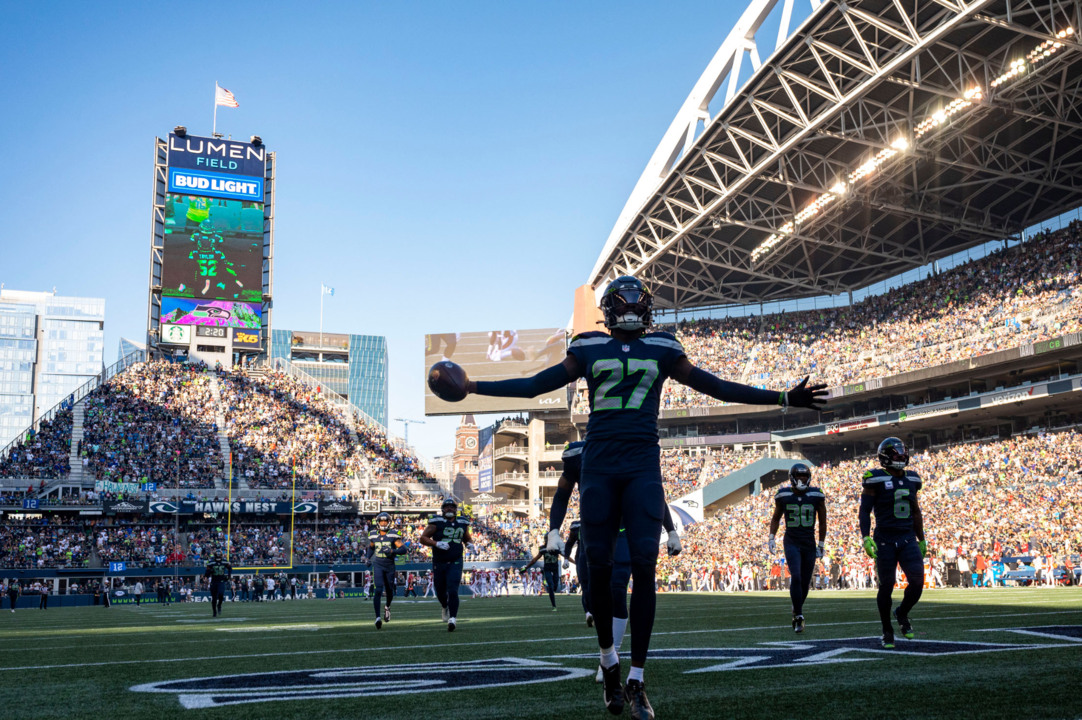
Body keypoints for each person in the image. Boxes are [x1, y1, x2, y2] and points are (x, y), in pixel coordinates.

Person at [449, 271, 821, 720]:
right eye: (620, 300)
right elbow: (535, 384)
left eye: (633, 300)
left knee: (645, 569)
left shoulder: (663, 347)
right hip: (601, 467)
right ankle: (609, 661)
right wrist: (473, 388)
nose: (627, 306)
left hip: (642, 466)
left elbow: (716, 387)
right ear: (610, 309)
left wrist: (782, 397)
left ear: (643, 307)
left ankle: (637, 678)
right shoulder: (587, 346)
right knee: (603, 575)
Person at [859, 437, 927, 649]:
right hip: (885, 539)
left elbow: (916, 511)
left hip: (907, 537)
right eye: (896, 452)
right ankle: (887, 630)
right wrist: (866, 536)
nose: (901, 455)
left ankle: (902, 612)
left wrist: (922, 538)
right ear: (885, 456)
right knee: (886, 586)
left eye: (903, 451)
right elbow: (864, 510)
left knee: (917, 582)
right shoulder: (875, 478)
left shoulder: (913, 479)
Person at [767, 463, 827, 633]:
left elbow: (823, 521)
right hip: (792, 540)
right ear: (792, 478)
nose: (802, 479)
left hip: (809, 541)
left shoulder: (816, 495)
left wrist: (821, 543)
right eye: (799, 476)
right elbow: (776, 518)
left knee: (805, 582)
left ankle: (796, 608)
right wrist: (772, 536)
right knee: (797, 576)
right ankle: (799, 616)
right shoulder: (783, 495)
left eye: (804, 476)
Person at [419, 498, 472, 631]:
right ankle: (444, 606)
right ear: (442, 509)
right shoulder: (436, 522)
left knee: (453, 590)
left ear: (456, 509)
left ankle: (453, 619)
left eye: (452, 507)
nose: (449, 509)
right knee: (440, 591)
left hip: (456, 561)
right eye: (447, 506)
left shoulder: (462, 522)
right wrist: (436, 543)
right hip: (439, 562)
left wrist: (469, 543)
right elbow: (423, 538)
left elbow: (467, 537)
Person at [367, 512, 407, 629]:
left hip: (389, 565)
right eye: (381, 521)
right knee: (378, 589)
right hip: (378, 564)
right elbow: (371, 547)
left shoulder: (393, 534)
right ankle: (377, 618)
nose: (383, 523)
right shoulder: (373, 534)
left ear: (389, 522)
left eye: (385, 521)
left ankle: (387, 607)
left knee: (389, 591)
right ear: (378, 522)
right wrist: (367, 557)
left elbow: (404, 549)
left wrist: (392, 551)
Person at [521, 543, 563, 611]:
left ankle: (552, 597)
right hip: (547, 569)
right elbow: (535, 559)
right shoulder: (543, 548)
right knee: (551, 586)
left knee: (555, 586)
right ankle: (554, 606)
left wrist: (572, 561)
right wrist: (526, 567)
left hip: (555, 569)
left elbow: (565, 554)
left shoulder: (556, 547)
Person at [203, 551, 232, 618]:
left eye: (219, 556)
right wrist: (210, 572)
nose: (218, 558)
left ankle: (219, 605)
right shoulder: (211, 563)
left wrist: (229, 575)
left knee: (221, 594)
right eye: (217, 556)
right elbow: (206, 573)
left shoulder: (225, 562)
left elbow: (230, 568)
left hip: (221, 581)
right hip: (214, 582)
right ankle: (214, 612)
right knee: (214, 598)